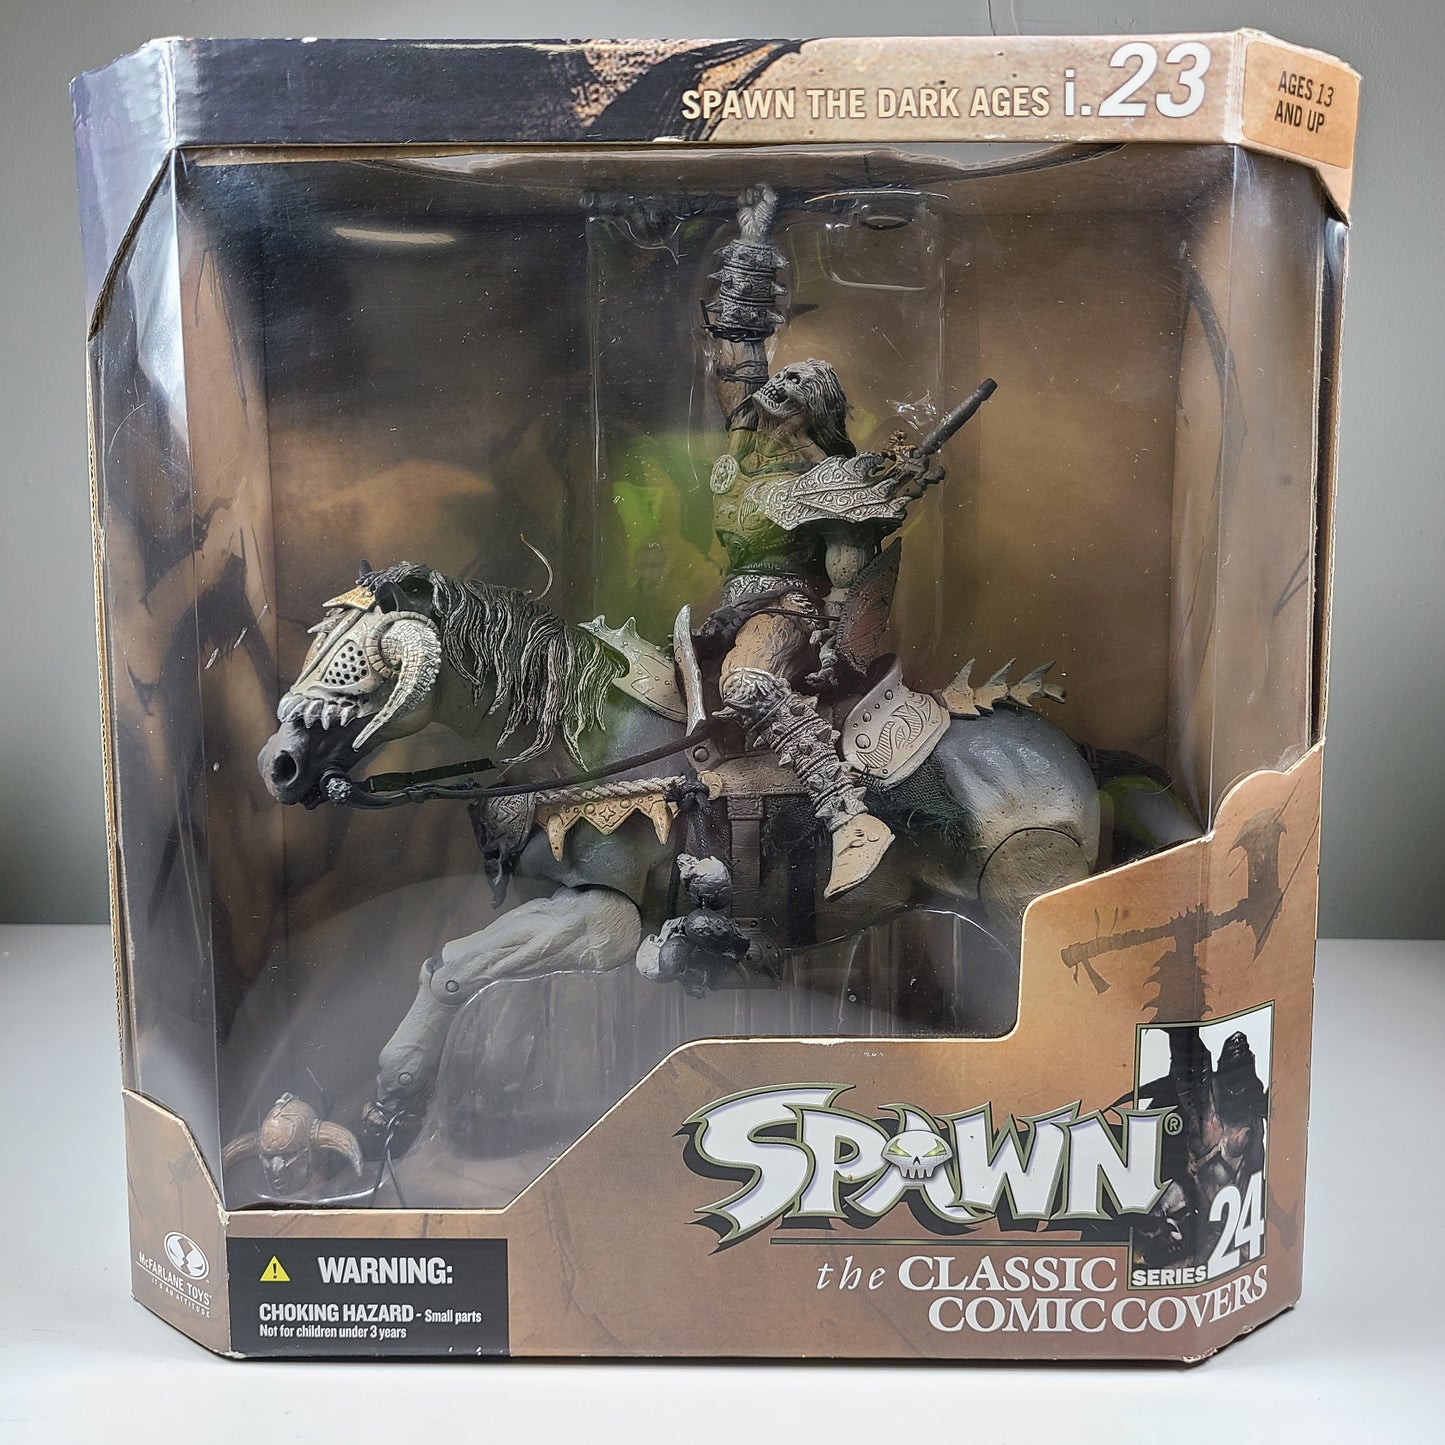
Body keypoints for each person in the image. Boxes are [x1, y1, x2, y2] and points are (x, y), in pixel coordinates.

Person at [698, 185, 940, 898]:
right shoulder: (742, 444)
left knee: (746, 684)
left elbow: (846, 569)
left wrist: (834, 632)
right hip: (725, 611)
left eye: (797, 383)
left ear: (814, 410)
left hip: (785, 611)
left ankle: (846, 816)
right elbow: (737, 345)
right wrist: (752, 240)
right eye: (781, 378)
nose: (778, 383)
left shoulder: (827, 479)